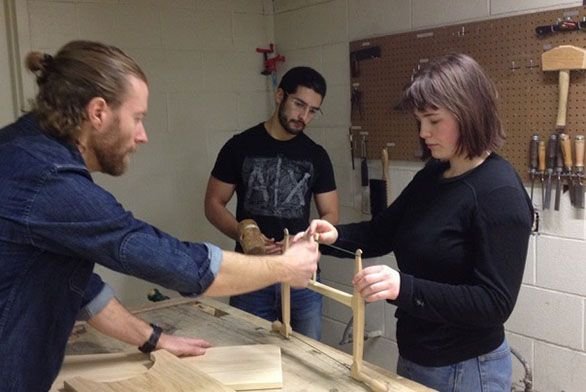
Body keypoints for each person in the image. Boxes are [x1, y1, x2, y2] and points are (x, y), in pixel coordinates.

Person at [0, 40, 320, 392]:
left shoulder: (23, 150)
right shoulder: (47, 180)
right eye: (137, 118)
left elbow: (78, 285)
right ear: (98, 112)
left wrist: (153, 339)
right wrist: (286, 267)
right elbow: (170, 261)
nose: (143, 135)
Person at [301, 54, 533, 391]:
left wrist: (403, 287)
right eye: (419, 121)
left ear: (468, 114)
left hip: (467, 369)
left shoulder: (499, 192)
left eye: (434, 121)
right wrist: (333, 236)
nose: (423, 132)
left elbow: (493, 304)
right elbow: (384, 232)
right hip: (417, 354)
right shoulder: (434, 174)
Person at [204, 66, 339, 340]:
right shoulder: (239, 146)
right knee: (249, 359)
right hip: (250, 272)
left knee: (309, 358)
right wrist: (244, 234)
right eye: (299, 104)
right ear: (280, 95)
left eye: (312, 110)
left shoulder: (317, 155)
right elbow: (213, 203)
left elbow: (331, 212)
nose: (303, 116)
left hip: (300, 273)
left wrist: (309, 238)